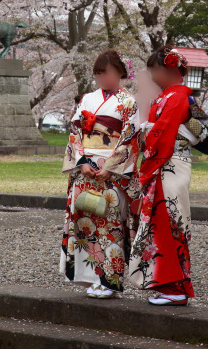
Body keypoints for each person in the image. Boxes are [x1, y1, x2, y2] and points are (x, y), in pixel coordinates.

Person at [60, 49, 140, 299]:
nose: (103, 79)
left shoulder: (129, 101)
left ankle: (109, 280)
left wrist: (110, 167)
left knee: (110, 223)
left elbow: (130, 138)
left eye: (108, 74)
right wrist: (82, 161)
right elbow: (75, 132)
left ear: (120, 73)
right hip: (85, 170)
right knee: (84, 222)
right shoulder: (87, 99)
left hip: (112, 172)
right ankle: (88, 277)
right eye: (99, 74)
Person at [129, 45, 197, 306]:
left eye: (154, 70)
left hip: (169, 164)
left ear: (168, 69)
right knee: (162, 222)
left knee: (171, 221)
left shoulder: (177, 96)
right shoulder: (170, 95)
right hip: (164, 164)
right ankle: (168, 285)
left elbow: (165, 132)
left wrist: (147, 163)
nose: (152, 75)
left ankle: (177, 287)